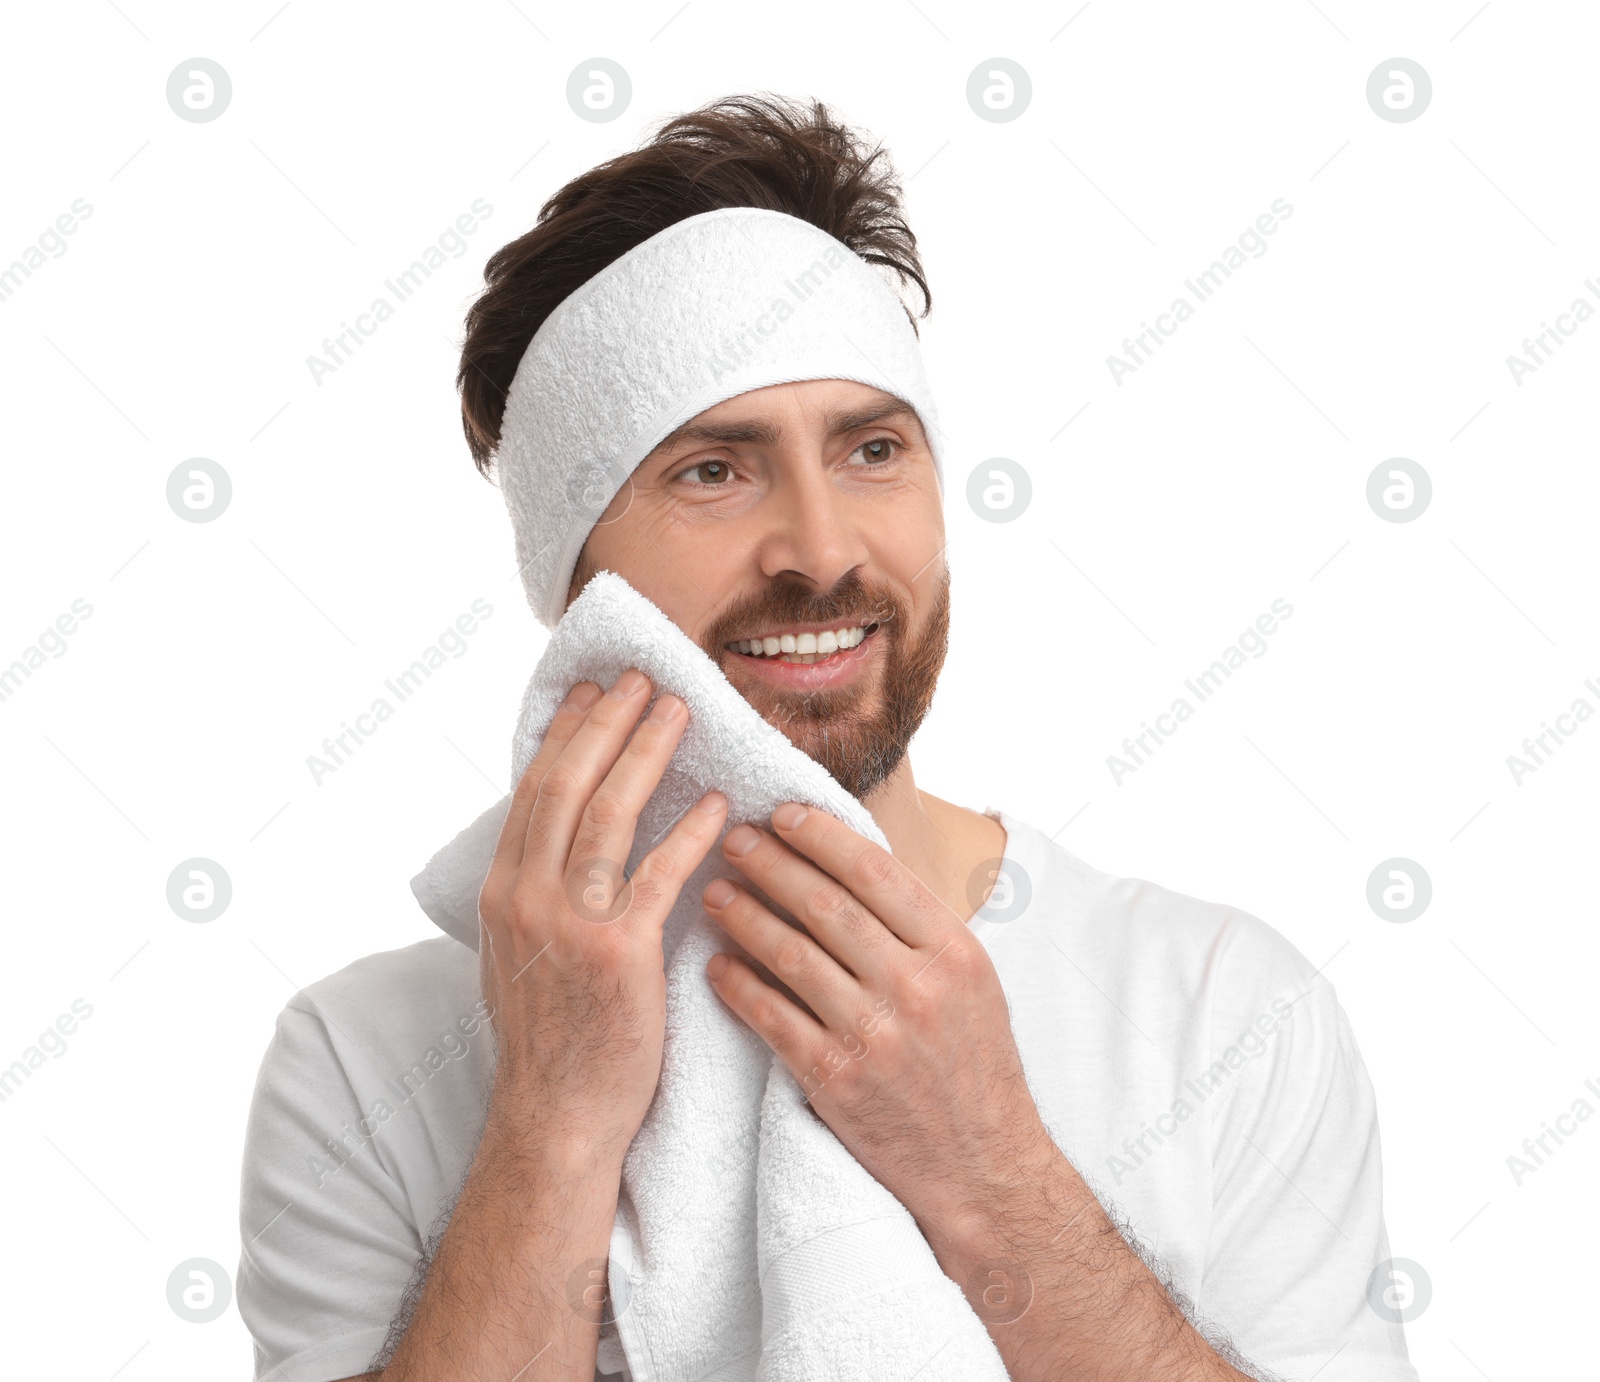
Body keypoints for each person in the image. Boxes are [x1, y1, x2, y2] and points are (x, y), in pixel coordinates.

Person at [237, 94, 1419, 1382]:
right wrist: (556, 1122)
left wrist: (992, 1175)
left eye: (871, 449)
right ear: (581, 589)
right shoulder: (368, 1064)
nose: (823, 551)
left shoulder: (1218, 1009)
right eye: (712, 470)